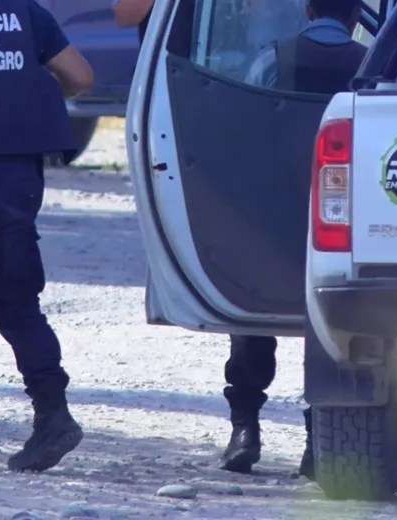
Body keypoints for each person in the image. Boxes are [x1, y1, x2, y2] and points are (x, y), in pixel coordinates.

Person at [112, 0, 316, 478]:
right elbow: (127, 13)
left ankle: (318, 433)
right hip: (235, 97)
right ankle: (249, 426)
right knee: (253, 293)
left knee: (325, 309)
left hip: (303, 112)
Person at [0, 0, 95, 471]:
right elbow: (81, 76)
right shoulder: (24, 12)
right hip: (15, 178)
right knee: (18, 302)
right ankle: (53, 415)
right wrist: (21, 93)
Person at [245, 0, 367, 93]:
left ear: (309, 12)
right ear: (356, 15)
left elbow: (245, 107)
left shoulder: (272, 62)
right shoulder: (371, 69)